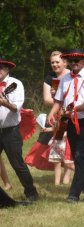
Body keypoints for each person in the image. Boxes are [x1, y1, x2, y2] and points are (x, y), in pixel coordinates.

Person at [47, 48, 84, 203]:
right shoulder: (65, 79)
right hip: (69, 120)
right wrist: (51, 113)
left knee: (79, 156)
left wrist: (78, 108)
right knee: (78, 158)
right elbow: (59, 100)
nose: (74, 63)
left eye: (78, 60)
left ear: (83, 61)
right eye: (72, 61)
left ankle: (73, 194)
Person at [25, 51, 74, 185]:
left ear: (65, 62)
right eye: (52, 62)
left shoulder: (72, 74)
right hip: (55, 114)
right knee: (48, 142)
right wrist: (59, 100)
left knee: (69, 144)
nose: (55, 65)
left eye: (57, 62)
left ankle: (67, 177)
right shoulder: (50, 77)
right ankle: (54, 179)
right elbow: (47, 99)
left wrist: (61, 99)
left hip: (71, 113)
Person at [0, 57, 39, 201]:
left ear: (7, 70)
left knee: (17, 164)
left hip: (11, 131)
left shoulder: (15, 84)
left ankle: (31, 193)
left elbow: (16, 107)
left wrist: (4, 103)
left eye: (0, 68)